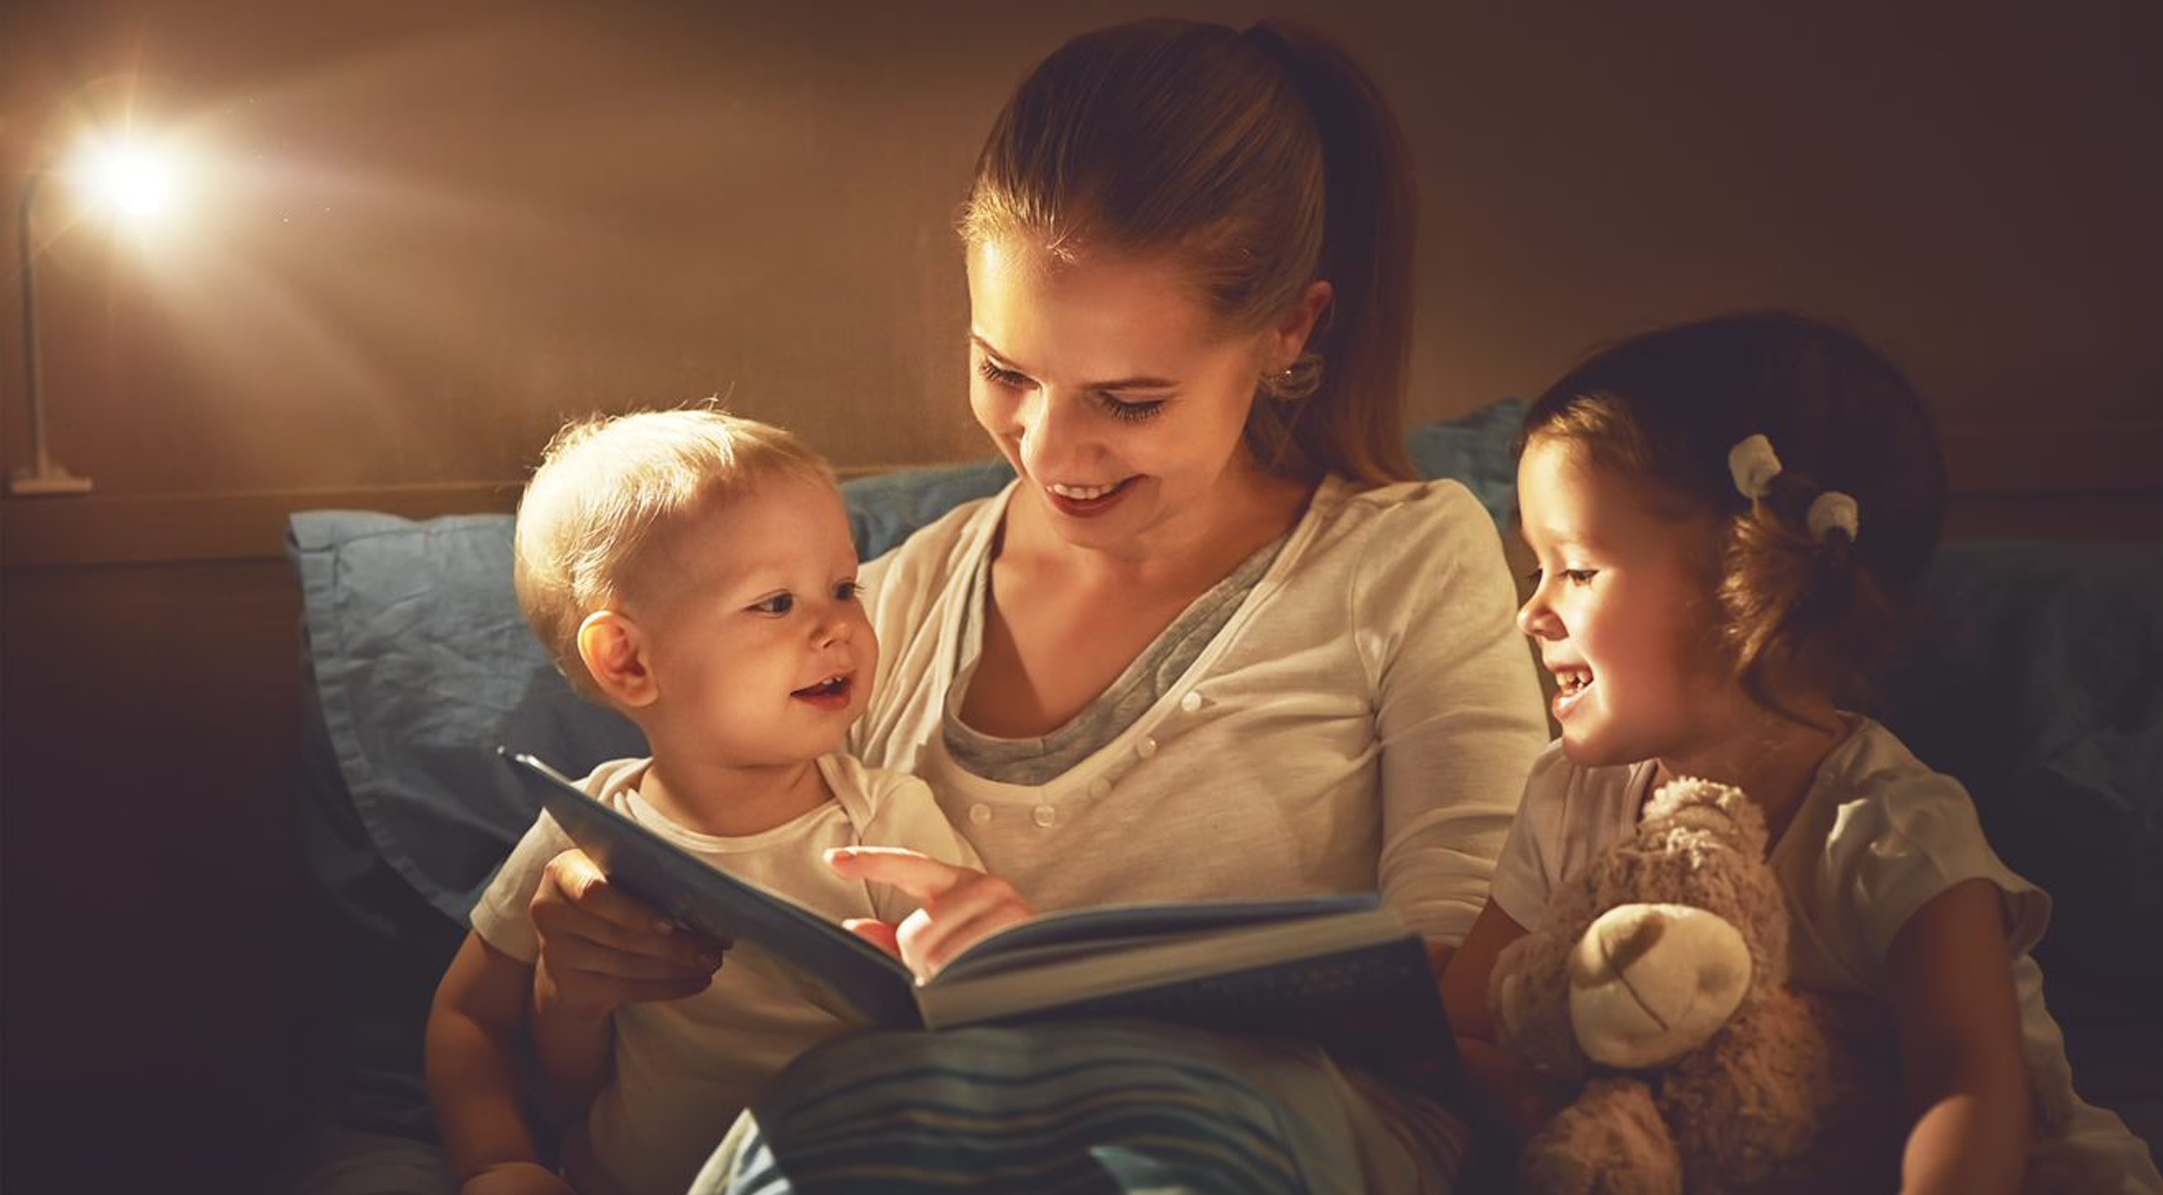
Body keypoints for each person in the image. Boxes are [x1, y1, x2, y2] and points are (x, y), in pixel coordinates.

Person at [532, 17, 1551, 1193]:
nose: (1049, 448)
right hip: (916, 1135)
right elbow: (692, 1027)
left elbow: (1476, 992)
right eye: (1007, 372)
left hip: (1256, 1141)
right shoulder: (884, 608)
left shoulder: (1405, 559)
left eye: (1128, 398)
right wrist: (591, 952)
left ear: (1289, 333)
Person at [1441, 311, 2163, 1194]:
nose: (1531, 611)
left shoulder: (1891, 829)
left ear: (1744, 583)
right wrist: (1537, 1111)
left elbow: (1968, 1087)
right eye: (1532, 568)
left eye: (1578, 570)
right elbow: (1464, 1021)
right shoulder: (1566, 799)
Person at [423, 409, 980, 1195]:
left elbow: (992, 1017)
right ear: (627, 658)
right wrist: (497, 1160)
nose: (838, 627)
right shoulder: (585, 828)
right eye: (774, 602)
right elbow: (468, 1018)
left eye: (842, 586)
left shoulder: (886, 825)